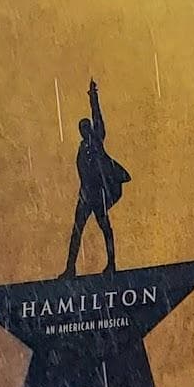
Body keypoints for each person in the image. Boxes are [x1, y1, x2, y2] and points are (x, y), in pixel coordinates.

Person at [62, 79, 131, 278]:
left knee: (105, 227)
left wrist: (93, 96)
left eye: (86, 127)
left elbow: (97, 115)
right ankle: (70, 268)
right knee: (77, 231)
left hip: (98, 192)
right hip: (85, 194)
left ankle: (111, 264)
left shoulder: (97, 140)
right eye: (81, 128)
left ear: (91, 128)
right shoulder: (82, 148)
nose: (84, 130)